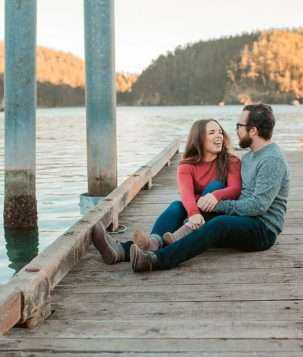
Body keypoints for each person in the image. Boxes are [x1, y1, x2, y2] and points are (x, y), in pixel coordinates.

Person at [91, 104, 289, 272]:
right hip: (244, 218)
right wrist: (202, 204)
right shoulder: (251, 156)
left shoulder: (271, 160)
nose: (235, 130)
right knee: (180, 207)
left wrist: (218, 205)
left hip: (262, 229)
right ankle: (123, 250)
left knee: (218, 223)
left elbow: (258, 206)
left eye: (240, 126)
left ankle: (156, 260)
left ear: (253, 130)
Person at [130, 118, 241, 252]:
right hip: (196, 216)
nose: (219, 135)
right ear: (199, 138)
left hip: (219, 217)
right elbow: (186, 194)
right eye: (212, 132)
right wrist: (193, 212)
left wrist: (215, 195)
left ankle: (180, 234)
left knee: (215, 186)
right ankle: (154, 242)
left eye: (220, 132)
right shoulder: (186, 166)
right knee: (177, 205)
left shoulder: (231, 161)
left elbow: (235, 189)